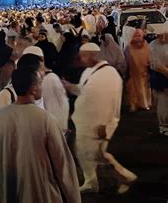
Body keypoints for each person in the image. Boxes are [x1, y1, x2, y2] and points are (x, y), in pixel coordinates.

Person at [0, 67, 80, 203]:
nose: (42, 87)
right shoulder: (46, 119)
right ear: (33, 89)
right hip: (40, 193)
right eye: (40, 83)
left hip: (9, 191)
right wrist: (73, 197)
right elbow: (62, 164)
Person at [72, 43, 136, 194]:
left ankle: (123, 177)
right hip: (87, 121)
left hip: (98, 124)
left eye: (84, 55)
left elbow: (109, 101)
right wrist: (69, 86)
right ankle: (94, 181)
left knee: (94, 154)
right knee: (91, 153)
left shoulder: (109, 74)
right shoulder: (89, 71)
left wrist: (103, 125)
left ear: (93, 55)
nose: (81, 59)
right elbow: (84, 91)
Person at [125, 29, 151, 112]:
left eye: (139, 36)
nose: (137, 38)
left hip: (144, 72)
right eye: (136, 35)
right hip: (133, 72)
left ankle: (144, 104)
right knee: (133, 89)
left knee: (144, 88)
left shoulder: (146, 45)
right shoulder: (129, 47)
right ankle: (134, 105)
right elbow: (126, 59)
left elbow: (150, 57)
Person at [149, 25, 168, 136]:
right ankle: (164, 126)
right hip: (160, 77)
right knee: (163, 103)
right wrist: (165, 71)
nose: (161, 37)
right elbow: (154, 64)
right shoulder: (153, 45)